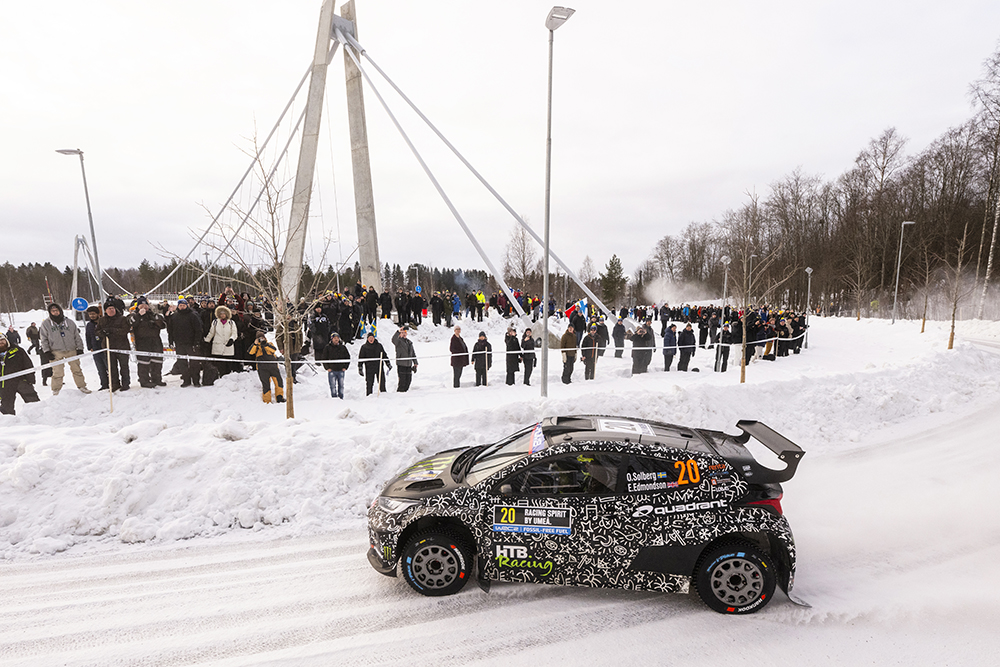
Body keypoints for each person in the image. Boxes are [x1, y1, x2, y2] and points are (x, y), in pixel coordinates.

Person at [39, 302, 90, 395]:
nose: (55, 312)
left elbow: (76, 336)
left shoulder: (69, 322)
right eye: (53, 311)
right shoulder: (46, 324)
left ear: (60, 311)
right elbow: (43, 339)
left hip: (71, 349)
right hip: (56, 351)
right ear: (50, 312)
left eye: (57, 310)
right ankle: (56, 390)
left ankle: (82, 386)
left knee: (77, 370)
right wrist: (46, 351)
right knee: (57, 372)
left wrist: (80, 348)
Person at [129, 299, 167, 388]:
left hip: (155, 341)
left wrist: (157, 321)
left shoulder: (153, 314)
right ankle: (144, 381)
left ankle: (157, 379)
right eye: (141, 306)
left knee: (157, 361)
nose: (144, 307)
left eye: (145, 306)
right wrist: (139, 315)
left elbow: (163, 325)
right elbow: (130, 323)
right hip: (142, 342)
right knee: (144, 363)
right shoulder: (134, 315)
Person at [0, 332, 40, 415]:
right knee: (6, 409)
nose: (1, 342)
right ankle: (11, 422)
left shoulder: (17, 350)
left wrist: (30, 379)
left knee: (34, 403)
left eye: (2, 340)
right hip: (5, 384)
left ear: (6, 340)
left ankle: (39, 417)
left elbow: (28, 364)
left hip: (21, 381)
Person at [96, 301, 131, 391]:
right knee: (112, 367)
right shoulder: (102, 320)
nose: (111, 310)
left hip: (122, 346)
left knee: (124, 367)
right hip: (109, 347)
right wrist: (103, 333)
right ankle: (115, 384)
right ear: (105, 310)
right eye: (109, 309)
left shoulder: (122, 319)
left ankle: (126, 383)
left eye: (112, 308)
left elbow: (125, 330)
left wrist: (112, 330)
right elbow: (97, 331)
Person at [168, 299, 203, 387]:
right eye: (180, 305)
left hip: (191, 343)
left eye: (184, 305)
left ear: (187, 306)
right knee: (182, 363)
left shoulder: (193, 315)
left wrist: (196, 342)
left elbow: (198, 330)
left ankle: (196, 380)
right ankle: (186, 380)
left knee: (194, 363)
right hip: (179, 343)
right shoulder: (174, 316)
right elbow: (170, 330)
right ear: (178, 306)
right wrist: (171, 341)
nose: (182, 307)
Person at [247, 331, 286, 403]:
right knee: (266, 385)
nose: (262, 339)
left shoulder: (269, 344)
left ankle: (280, 397)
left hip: (273, 367)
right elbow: (250, 352)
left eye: (263, 338)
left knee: (279, 382)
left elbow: (274, 349)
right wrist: (255, 344)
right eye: (260, 338)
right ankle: (267, 401)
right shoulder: (256, 347)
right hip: (262, 369)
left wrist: (265, 344)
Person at [204, 305, 238, 384]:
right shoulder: (215, 322)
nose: (222, 315)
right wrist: (206, 341)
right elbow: (211, 333)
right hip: (217, 346)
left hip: (228, 346)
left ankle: (227, 380)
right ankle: (219, 381)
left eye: (224, 314)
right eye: (221, 314)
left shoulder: (231, 323)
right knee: (219, 364)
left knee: (227, 365)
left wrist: (232, 339)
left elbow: (234, 333)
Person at [318, 331, 350, 398]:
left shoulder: (343, 347)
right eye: (335, 338)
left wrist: (345, 367)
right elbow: (324, 358)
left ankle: (341, 398)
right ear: (332, 339)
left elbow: (347, 357)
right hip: (332, 370)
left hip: (341, 370)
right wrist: (327, 368)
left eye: (337, 338)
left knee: (341, 385)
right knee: (332, 386)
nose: (336, 339)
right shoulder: (327, 347)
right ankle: (334, 398)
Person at [84, 306, 109, 390]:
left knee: (108, 367)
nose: (92, 316)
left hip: (105, 348)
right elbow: (87, 336)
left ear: (98, 314)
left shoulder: (104, 322)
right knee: (100, 368)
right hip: (96, 349)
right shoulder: (89, 325)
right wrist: (89, 346)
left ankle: (113, 383)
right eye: (90, 314)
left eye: (93, 314)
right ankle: (104, 384)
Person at [390, 325, 417, 392]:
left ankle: (405, 394)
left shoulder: (409, 342)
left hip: (408, 364)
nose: (404, 334)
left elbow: (413, 353)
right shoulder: (398, 342)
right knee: (402, 382)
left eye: (405, 332)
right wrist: (398, 332)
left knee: (408, 381)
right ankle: (399, 394)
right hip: (401, 364)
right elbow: (393, 340)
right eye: (402, 333)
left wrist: (415, 362)